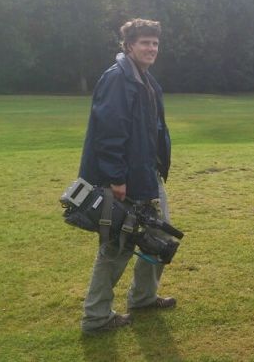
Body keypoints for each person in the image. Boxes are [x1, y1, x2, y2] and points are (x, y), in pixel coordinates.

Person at [78, 19, 176, 333]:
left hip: (147, 176)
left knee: (157, 238)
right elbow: (110, 133)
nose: (151, 48)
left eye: (155, 43)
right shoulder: (118, 79)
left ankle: (144, 297)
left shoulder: (143, 78)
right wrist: (115, 179)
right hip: (124, 181)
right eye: (145, 42)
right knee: (117, 247)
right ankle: (96, 316)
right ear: (129, 45)